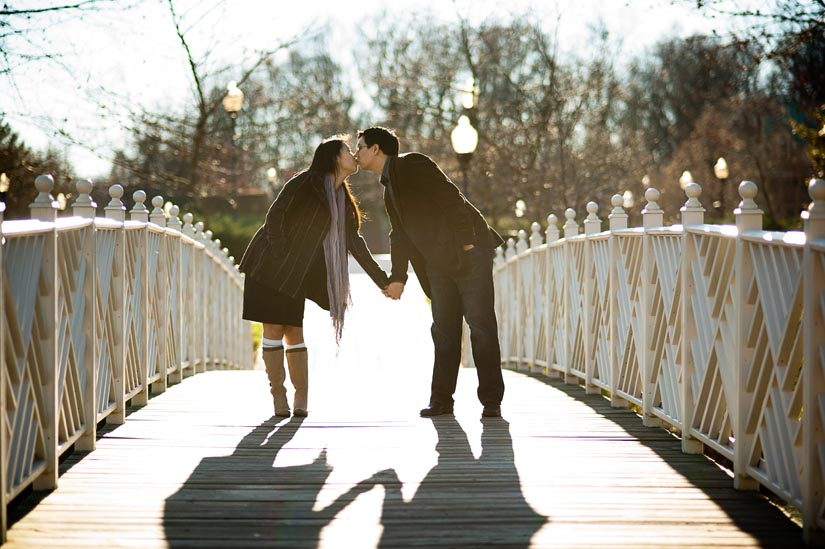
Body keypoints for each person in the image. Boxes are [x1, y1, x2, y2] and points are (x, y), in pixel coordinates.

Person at [354, 126, 505, 418]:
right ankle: (441, 401)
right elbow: (399, 235)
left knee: (481, 328)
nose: (356, 153)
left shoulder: (413, 164)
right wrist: (399, 277)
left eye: (360, 147)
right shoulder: (390, 191)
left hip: (468, 254)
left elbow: (451, 199)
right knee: (444, 332)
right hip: (439, 263)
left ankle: (491, 402)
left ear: (376, 149)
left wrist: (467, 243)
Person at [239, 135, 390, 417]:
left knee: (294, 331)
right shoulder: (304, 182)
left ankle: (301, 397)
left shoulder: (344, 201)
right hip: (269, 265)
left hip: (295, 274)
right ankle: (278, 397)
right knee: (273, 330)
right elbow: (275, 217)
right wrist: (282, 255)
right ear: (333, 157)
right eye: (348, 150)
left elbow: (354, 243)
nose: (353, 154)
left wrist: (383, 280)